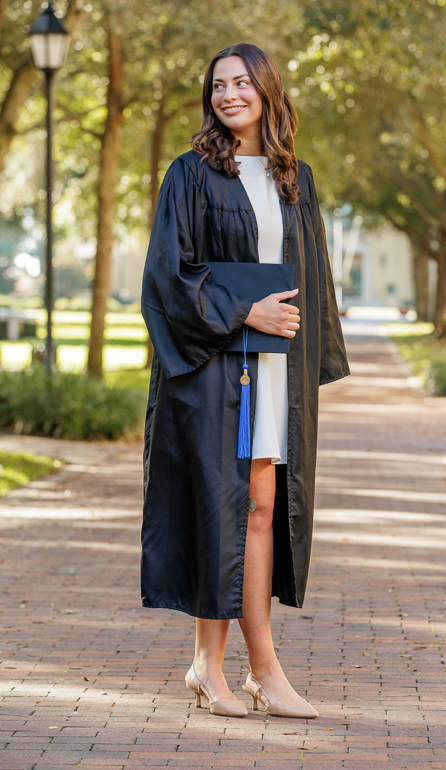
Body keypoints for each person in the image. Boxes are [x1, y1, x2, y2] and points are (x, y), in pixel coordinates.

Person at [141, 43, 349, 719]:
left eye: (240, 83)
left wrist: (307, 356)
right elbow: (168, 277)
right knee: (221, 506)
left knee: (260, 509)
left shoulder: (296, 178)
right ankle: (233, 667)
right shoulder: (190, 174)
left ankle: (240, 669)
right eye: (217, 85)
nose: (228, 94)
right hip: (213, 366)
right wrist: (243, 312)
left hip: (274, 370)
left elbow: (312, 276)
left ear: (266, 90)